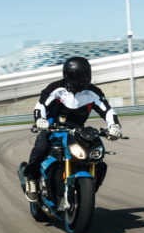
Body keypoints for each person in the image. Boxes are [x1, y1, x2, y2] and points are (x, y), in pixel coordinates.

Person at [24, 56, 122, 201]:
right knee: (41, 147)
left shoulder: (94, 92)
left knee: (95, 152)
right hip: (53, 126)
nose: (83, 79)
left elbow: (107, 110)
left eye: (86, 74)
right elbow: (41, 106)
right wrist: (40, 120)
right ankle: (31, 178)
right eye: (78, 76)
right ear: (67, 75)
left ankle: (86, 187)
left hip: (77, 130)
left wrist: (114, 126)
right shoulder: (56, 88)